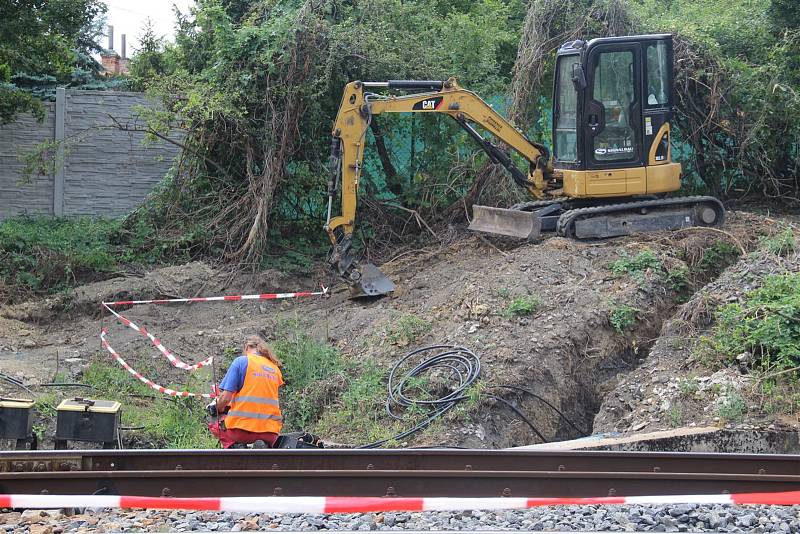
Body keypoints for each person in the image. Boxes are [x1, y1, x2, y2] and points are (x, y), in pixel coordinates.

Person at [207, 335, 284, 448]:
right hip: (271, 433)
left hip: (242, 432)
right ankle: (262, 446)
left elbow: (226, 398)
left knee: (215, 422)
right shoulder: (275, 369)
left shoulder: (241, 362)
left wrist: (216, 408)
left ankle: (236, 447)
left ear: (247, 347)